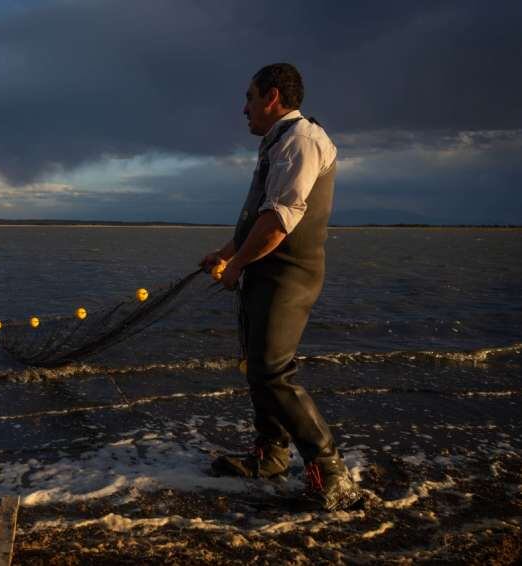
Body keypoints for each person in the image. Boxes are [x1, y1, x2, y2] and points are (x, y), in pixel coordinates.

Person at [200, 63, 362, 511]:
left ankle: (330, 473)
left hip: (290, 274)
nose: (244, 109)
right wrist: (225, 253)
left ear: (272, 97)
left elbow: (280, 221)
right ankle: (271, 455)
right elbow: (257, 217)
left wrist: (237, 266)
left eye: (249, 98)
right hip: (265, 271)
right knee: (258, 366)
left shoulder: (303, 141)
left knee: (273, 372)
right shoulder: (279, 143)